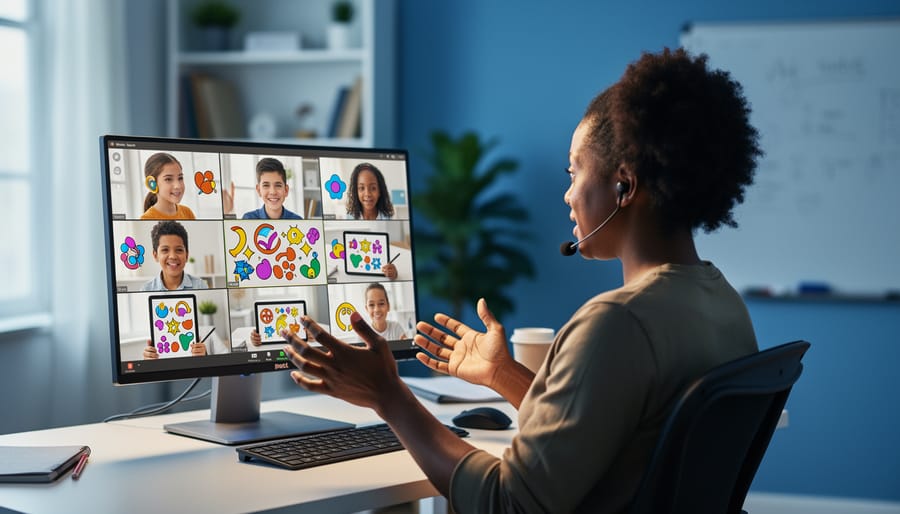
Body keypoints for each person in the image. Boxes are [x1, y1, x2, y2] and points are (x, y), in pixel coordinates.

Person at [280, 48, 761, 513]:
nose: (568, 193)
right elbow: (605, 433)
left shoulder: (616, 323)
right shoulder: (722, 303)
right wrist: (502, 375)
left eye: (574, 171)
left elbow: (506, 504)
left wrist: (389, 396)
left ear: (624, 185)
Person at [140, 220, 208, 292]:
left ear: (187, 255)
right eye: (165, 250)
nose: (173, 256)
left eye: (179, 250)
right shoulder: (146, 290)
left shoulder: (200, 286)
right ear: (156, 255)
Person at [140, 152, 196, 220]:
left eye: (180, 178)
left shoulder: (187, 213)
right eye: (168, 179)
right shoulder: (146, 218)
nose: (177, 185)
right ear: (152, 184)